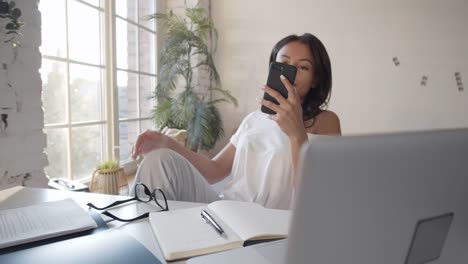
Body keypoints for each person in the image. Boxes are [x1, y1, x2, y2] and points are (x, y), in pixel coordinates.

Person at [131, 33, 341, 210]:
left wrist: (296, 135)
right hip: (229, 211)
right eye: (284, 64)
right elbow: (215, 171)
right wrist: (168, 144)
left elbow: (317, 198)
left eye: (303, 67)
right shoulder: (254, 119)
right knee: (159, 161)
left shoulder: (326, 122)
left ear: (315, 79)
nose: (291, 73)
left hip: (274, 224)